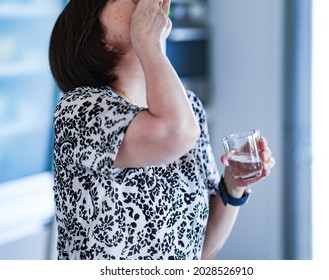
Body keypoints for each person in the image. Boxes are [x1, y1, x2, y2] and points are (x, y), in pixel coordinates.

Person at [49, 0, 275, 260]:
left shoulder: (188, 108)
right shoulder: (78, 109)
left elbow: (201, 250)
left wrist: (233, 185)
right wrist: (148, 40)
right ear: (100, 40)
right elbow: (173, 132)